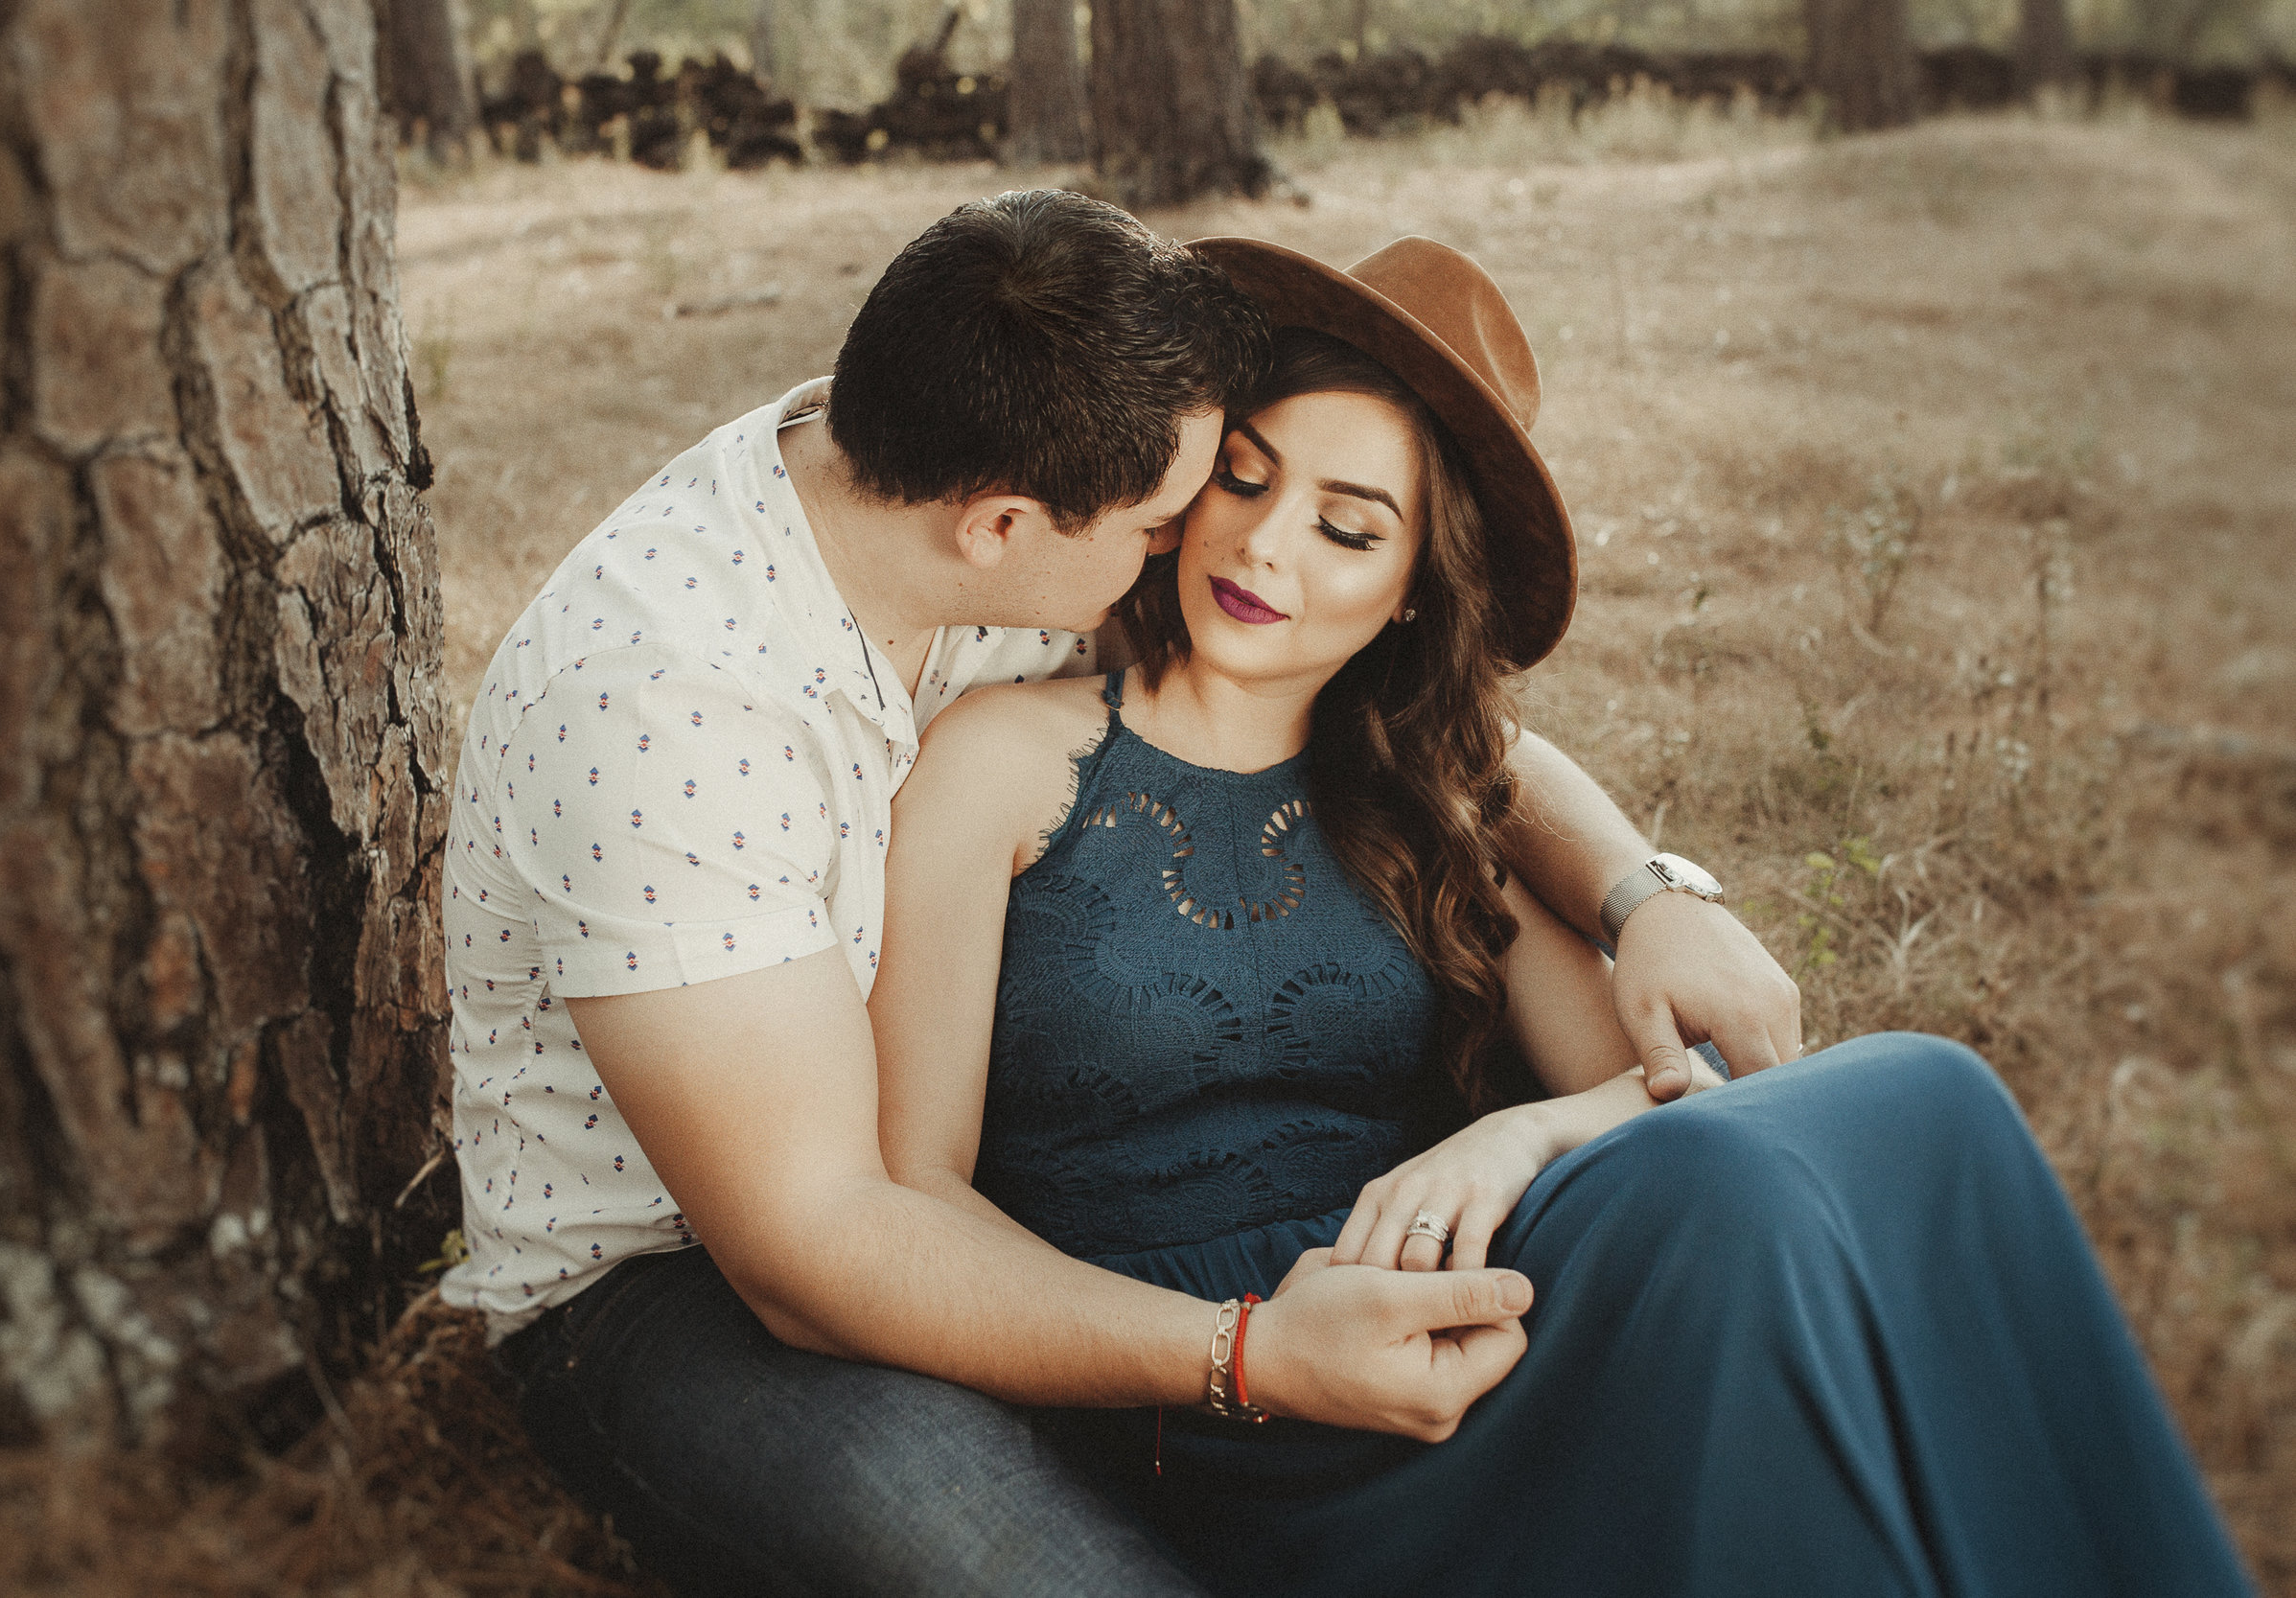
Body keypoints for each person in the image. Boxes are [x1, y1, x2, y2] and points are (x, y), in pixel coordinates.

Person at [439, 192, 1804, 1595]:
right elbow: (818, 1243)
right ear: (1006, 526)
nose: (1221, 547)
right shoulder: (658, 713)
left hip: (952, 1207)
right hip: (681, 1276)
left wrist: (1650, 895)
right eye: (1177, 516)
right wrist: (1248, 1354)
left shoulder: (985, 459)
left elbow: (1438, 739)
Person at [870, 235, 2255, 1596]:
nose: (1266, 545)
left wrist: (1515, 1132)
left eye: (1349, 528)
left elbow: (1666, 1097)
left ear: (1413, 593)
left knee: (1929, 1099)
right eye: (1244, 479)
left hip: (1454, 1324)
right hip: (1206, 1391)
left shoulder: (1428, 804)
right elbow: (912, 1190)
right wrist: (1226, 1346)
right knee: (1739, 1200)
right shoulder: (1005, 757)